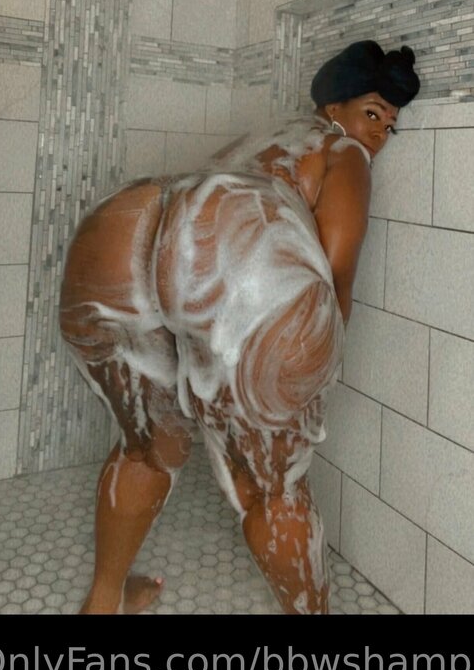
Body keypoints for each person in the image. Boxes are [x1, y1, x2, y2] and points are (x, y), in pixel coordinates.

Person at [59, 39, 420, 615]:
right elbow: (338, 275)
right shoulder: (343, 151)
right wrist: (322, 358)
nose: (379, 133)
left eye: (390, 125)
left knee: (147, 444)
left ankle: (104, 603)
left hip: (121, 225)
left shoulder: (264, 137)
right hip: (235, 248)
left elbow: (189, 224)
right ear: (334, 108)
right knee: (274, 485)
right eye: (372, 113)